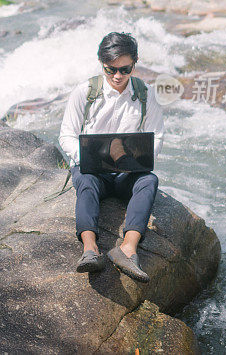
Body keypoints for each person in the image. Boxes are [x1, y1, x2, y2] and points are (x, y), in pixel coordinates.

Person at [58, 32, 164, 281]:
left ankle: (127, 249)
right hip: (93, 171)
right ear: (101, 63)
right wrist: (83, 157)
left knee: (149, 180)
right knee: (85, 181)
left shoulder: (146, 94)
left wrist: (144, 157)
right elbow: (66, 135)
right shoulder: (84, 92)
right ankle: (90, 249)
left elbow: (157, 135)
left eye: (125, 69)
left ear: (134, 63)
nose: (117, 76)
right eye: (110, 70)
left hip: (128, 172)